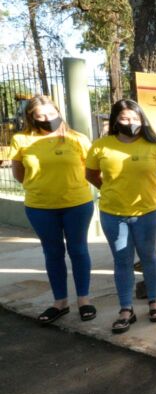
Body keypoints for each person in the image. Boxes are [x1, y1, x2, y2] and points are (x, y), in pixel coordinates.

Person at [85, 99, 156, 334]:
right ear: (115, 121)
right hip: (113, 213)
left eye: (135, 119)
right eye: (124, 119)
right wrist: (111, 190)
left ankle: (154, 301)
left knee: (149, 256)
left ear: (142, 120)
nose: (130, 123)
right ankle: (126, 308)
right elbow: (91, 174)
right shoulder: (101, 146)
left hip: (149, 212)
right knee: (122, 260)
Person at [11, 96, 95, 324]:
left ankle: (84, 300)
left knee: (78, 250)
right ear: (31, 118)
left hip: (77, 204)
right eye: (41, 116)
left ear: (58, 111)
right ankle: (60, 302)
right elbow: (18, 174)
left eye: (51, 114)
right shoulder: (21, 139)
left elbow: (91, 170)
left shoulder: (77, 138)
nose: (48, 119)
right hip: (40, 207)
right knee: (53, 253)